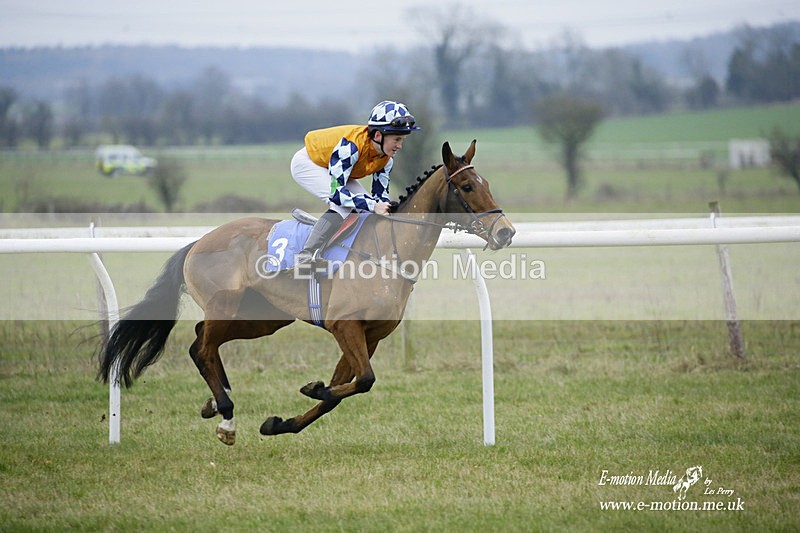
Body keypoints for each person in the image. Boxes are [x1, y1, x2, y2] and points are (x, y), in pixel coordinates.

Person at [290, 100, 420, 264]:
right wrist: (374, 206)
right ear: (378, 135)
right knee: (342, 205)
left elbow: (380, 197)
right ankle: (306, 255)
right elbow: (337, 194)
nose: (400, 146)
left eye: (402, 140)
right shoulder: (350, 148)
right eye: (396, 139)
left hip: (338, 168)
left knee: (366, 207)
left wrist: (385, 208)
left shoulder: (386, 159)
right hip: (309, 164)